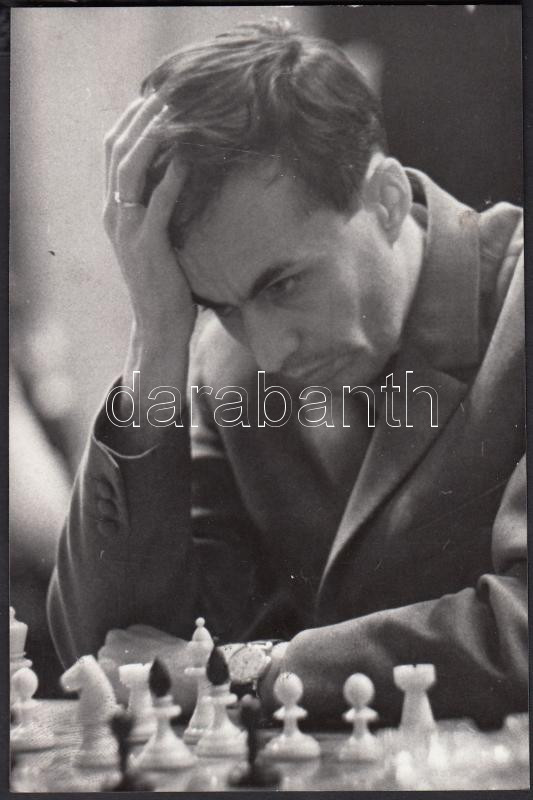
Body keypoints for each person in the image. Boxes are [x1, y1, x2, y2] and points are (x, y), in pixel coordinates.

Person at [47, 21, 526, 727]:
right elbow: (116, 658)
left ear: (387, 200)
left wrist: (253, 669)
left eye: (284, 285)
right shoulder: (227, 364)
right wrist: (156, 339)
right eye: (221, 305)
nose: (269, 352)